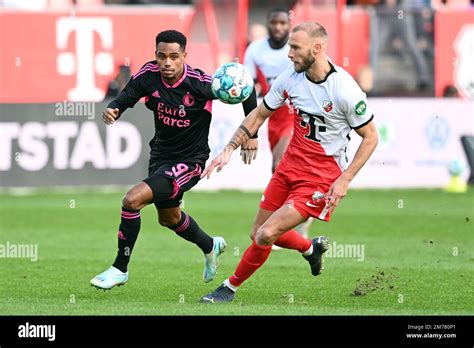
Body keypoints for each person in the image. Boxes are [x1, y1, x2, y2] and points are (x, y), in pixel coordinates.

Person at [200, 22, 378, 303]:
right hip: (289, 167)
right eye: (289, 47)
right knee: (256, 233)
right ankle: (311, 248)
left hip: (320, 177)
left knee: (266, 234)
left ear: (317, 49)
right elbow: (259, 114)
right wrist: (229, 148)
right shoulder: (291, 77)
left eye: (295, 47)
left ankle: (228, 288)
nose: (289, 53)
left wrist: (344, 180)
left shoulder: (344, 89)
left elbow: (370, 137)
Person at [90, 30, 258, 290]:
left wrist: (252, 134)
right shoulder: (148, 76)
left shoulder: (201, 83)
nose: (167, 62)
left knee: (132, 200)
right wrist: (114, 109)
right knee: (168, 218)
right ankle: (209, 245)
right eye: (161, 56)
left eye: (173, 57)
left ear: (184, 57)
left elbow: (246, 92)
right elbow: (124, 98)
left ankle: (119, 269)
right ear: (155, 56)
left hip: (190, 161)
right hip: (160, 156)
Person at [244, 8, 313, 240]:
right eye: (274, 22)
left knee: (278, 165)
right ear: (268, 24)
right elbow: (248, 88)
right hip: (270, 114)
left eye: (283, 23)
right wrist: (251, 127)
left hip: (294, 113)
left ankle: (283, 223)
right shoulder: (255, 50)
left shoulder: (293, 49)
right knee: (280, 169)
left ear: (289, 24)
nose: (278, 27)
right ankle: (304, 206)